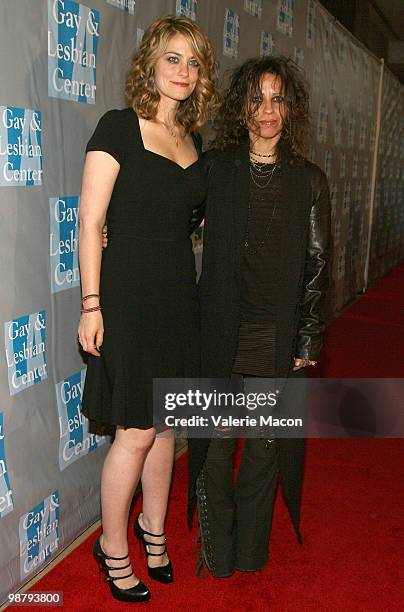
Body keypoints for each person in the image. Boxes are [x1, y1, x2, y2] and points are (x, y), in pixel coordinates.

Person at [77, 15, 217, 602]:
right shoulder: (118, 126)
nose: (183, 72)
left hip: (176, 295)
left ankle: (152, 532)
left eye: (193, 62)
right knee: (135, 429)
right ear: (150, 64)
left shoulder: (195, 141)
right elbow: (90, 220)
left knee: (166, 426)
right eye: (172, 59)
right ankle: (113, 548)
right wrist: (91, 302)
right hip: (128, 295)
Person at [187, 56, 331, 577]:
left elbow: (318, 266)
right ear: (240, 106)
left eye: (277, 99)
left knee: (266, 452)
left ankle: (250, 553)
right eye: (256, 98)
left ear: (289, 110)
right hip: (222, 332)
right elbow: (176, 214)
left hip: (276, 337)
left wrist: (308, 340)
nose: (266, 110)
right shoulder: (218, 168)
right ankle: (218, 553)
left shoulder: (309, 181)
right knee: (218, 449)